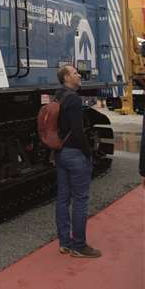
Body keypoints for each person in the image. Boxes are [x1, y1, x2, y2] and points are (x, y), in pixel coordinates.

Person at [54, 63, 102, 258]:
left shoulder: (58, 96)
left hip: (61, 153)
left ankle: (65, 243)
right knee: (80, 200)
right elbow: (77, 131)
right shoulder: (73, 99)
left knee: (63, 199)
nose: (79, 75)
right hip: (74, 154)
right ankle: (79, 246)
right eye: (75, 73)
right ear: (66, 78)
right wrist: (88, 152)